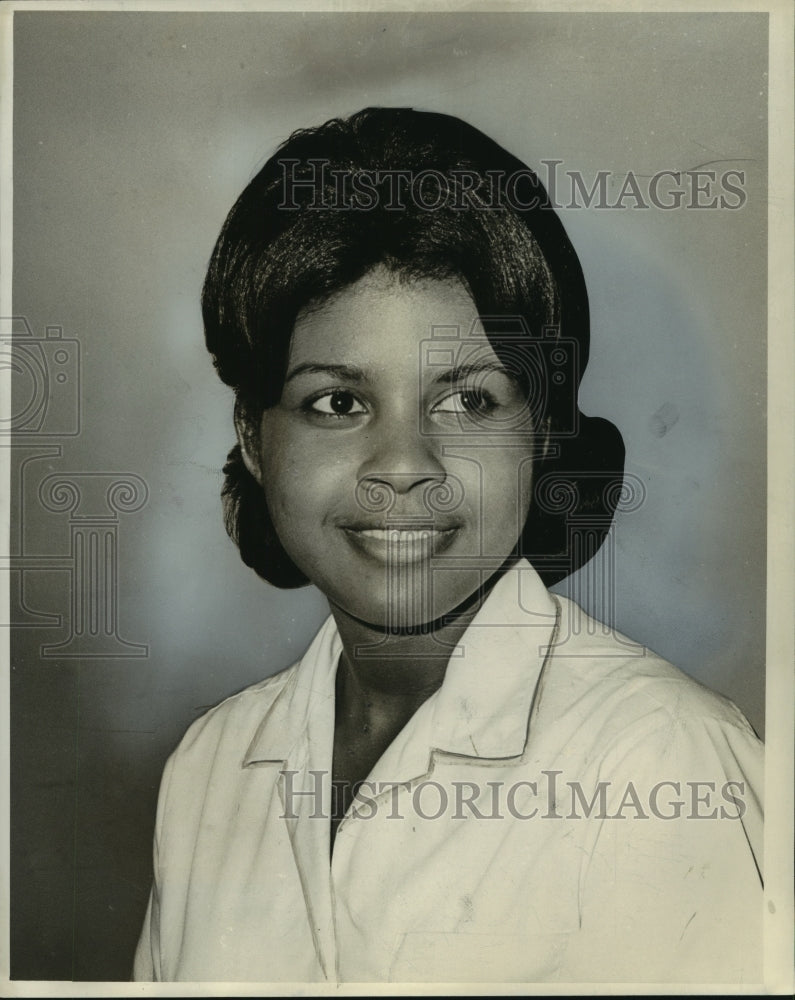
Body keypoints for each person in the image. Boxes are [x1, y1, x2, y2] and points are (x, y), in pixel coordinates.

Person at [133, 107, 763, 984]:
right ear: (253, 435)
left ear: (541, 429)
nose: (401, 465)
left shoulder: (661, 762)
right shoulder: (210, 768)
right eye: (338, 403)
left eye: (467, 401)